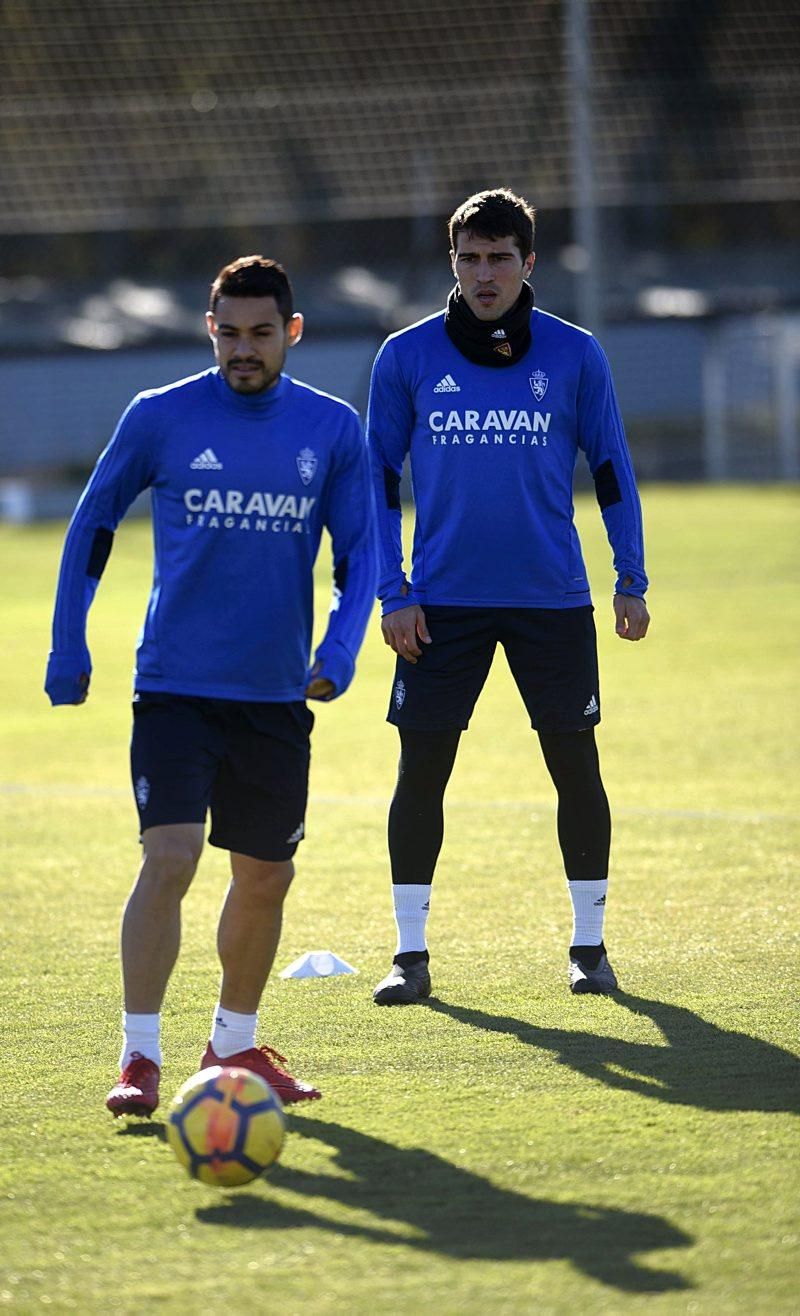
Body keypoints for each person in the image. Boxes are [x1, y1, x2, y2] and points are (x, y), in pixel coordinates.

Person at [46, 256, 377, 1113]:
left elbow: (362, 557)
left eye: (261, 333)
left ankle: (234, 1046)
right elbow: (93, 522)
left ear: (291, 333)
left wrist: (338, 653)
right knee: (172, 858)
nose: (243, 349)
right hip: (175, 688)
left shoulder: (333, 430)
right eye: (228, 332)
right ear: (210, 328)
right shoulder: (159, 416)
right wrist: (66, 642)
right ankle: (139, 1059)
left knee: (266, 876)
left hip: (274, 696)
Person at [366, 189, 649, 1004]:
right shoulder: (406, 357)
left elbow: (610, 470)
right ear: (451, 263)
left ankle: (590, 948)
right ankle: (410, 958)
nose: (484, 273)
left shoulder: (575, 354)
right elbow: (379, 484)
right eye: (469, 258)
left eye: (499, 258)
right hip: (440, 603)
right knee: (422, 770)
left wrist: (629, 577)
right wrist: (395, 592)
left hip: (551, 600)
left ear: (529, 263)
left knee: (575, 765)